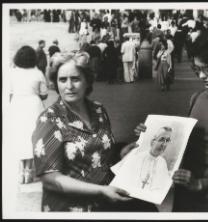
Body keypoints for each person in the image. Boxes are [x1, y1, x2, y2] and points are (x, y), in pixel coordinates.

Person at [136, 29, 208, 212]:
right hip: (188, 200)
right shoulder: (197, 97)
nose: (201, 76)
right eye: (197, 69)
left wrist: (201, 184)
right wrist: (150, 135)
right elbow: (185, 144)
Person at [32, 52, 157, 212]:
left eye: (75, 79)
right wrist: (101, 191)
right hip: (72, 208)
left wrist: (122, 153)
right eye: (62, 80)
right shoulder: (49, 119)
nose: (69, 86)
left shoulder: (98, 109)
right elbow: (50, 178)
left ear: (87, 81)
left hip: (107, 202)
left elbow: (101, 155)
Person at [9, 46, 48, 184]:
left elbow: (9, 92)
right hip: (33, 105)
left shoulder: (12, 72)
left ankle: (21, 172)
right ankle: (28, 170)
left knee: (19, 136)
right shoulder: (38, 73)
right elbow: (44, 94)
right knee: (32, 136)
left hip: (17, 105)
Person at [111, 127, 172, 191]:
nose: (164, 144)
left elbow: (163, 186)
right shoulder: (137, 157)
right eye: (161, 139)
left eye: (167, 140)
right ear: (153, 141)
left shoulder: (162, 162)